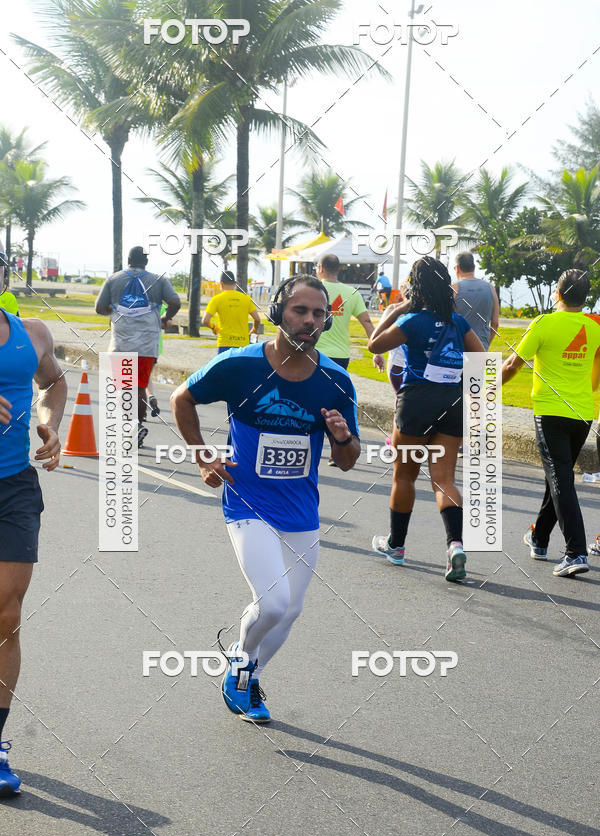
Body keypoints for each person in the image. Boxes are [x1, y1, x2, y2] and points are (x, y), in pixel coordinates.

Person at [171, 275, 360, 722]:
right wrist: (204, 458)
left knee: (290, 611)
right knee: (272, 602)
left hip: (300, 509)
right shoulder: (240, 366)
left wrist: (343, 436)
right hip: (246, 503)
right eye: (300, 311)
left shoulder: (336, 382)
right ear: (277, 313)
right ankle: (239, 670)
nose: (310, 321)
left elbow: (349, 461)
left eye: (318, 313)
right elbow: (182, 398)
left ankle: (246, 670)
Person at [368, 256, 485, 581]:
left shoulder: (412, 321)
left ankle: (397, 545)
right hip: (452, 403)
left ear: (416, 288)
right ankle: (455, 547)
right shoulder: (458, 324)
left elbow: (373, 343)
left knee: (404, 477)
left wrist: (398, 309)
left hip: (416, 402)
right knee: (444, 479)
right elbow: (481, 360)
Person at [0, 299, 67, 794]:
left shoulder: (33, 332)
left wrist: (51, 423)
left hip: (13, 485)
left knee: (5, 614)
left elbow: (55, 382)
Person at [502, 269, 600, 577]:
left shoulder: (544, 323)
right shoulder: (593, 327)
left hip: (551, 414)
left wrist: (486, 391)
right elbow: (596, 376)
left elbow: (513, 364)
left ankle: (575, 552)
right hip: (582, 414)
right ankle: (539, 539)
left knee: (560, 481)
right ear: (586, 298)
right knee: (555, 479)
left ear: (557, 294)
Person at [95, 246, 180, 447]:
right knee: (139, 386)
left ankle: (131, 427)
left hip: (121, 343)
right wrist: (166, 317)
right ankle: (137, 425)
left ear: (128, 260)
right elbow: (175, 301)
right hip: (147, 345)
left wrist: (114, 310)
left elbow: (99, 307)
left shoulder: (114, 279)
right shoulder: (159, 280)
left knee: (124, 387)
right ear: (146, 262)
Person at [315, 253, 384, 465]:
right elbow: (367, 324)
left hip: (313, 355)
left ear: (320, 268)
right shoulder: (351, 293)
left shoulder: (312, 288)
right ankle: (336, 451)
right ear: (339, 269)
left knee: (310, 399)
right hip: (340, 357)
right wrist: (377, 351)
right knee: (335, 403)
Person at [202, 271, 260, 354]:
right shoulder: (246, 298)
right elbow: (257, 319)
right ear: (235, 283)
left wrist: (214, 328)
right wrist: (254, 330)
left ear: (221, 284)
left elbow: (205, 320)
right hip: (243, 344)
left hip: (224, 343)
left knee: (225, 367)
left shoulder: (217, 299)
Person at [452, 252, 499, 350]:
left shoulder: (454, 288)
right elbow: (495, 323)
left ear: (457, 268)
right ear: (474, 267)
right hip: (481, 348)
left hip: (457, 349)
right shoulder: (490, 288)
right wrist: (484, 345)